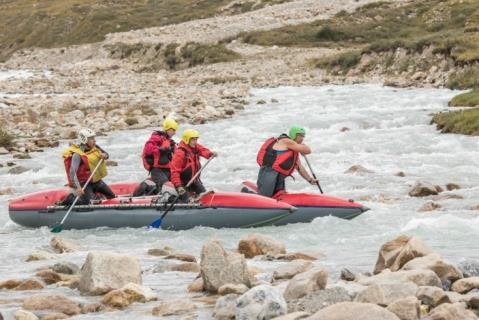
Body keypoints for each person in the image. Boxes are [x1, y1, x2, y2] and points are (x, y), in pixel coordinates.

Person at [256, 125, 317, 197]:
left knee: (279, 195)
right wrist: (303, 147)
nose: (302, 138)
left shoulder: (292, 148)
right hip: (268, 172)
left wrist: (310, 179)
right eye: (300, 136)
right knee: (265, 197)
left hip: (279, 176)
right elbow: (307, 150)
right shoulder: (286, 141)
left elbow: (299, 167)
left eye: (303, 136)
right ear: (294, 135)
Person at [62, 128, 115, 205]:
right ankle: (70, 199)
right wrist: (78, 187)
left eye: (94, 138)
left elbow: (107, 155)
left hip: (96, 181)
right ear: (84, 140)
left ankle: (97, 196)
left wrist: (105, 156)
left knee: (112, 196)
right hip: (84, 183)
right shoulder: (77, 154)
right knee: (89, 203)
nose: (94, 140)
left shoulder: (95, 147)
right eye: (91, 139)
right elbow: (72, 172)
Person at [170, 129, 216, 203]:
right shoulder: (180, 153)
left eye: (196, 139)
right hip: (181, 184)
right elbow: (174, 171)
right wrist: (178, 186)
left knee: (206, 198)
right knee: (189, 201)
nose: (195, 142)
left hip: (193, 181)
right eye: (193, 140)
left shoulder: (194, 147)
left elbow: (203, 150)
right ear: (187, 140)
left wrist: (210, 154)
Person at [135, 118, 178, 196]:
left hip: (168, 170)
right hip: (156, 170)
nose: (175, 133)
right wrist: (160, 149)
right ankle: (146, 188)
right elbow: (148, 149)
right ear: (168, 129)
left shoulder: (171, 142)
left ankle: (151, 187)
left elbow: (178, 155)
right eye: (173, 130)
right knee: (167, 186)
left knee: (176, 184)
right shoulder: (156, 137)